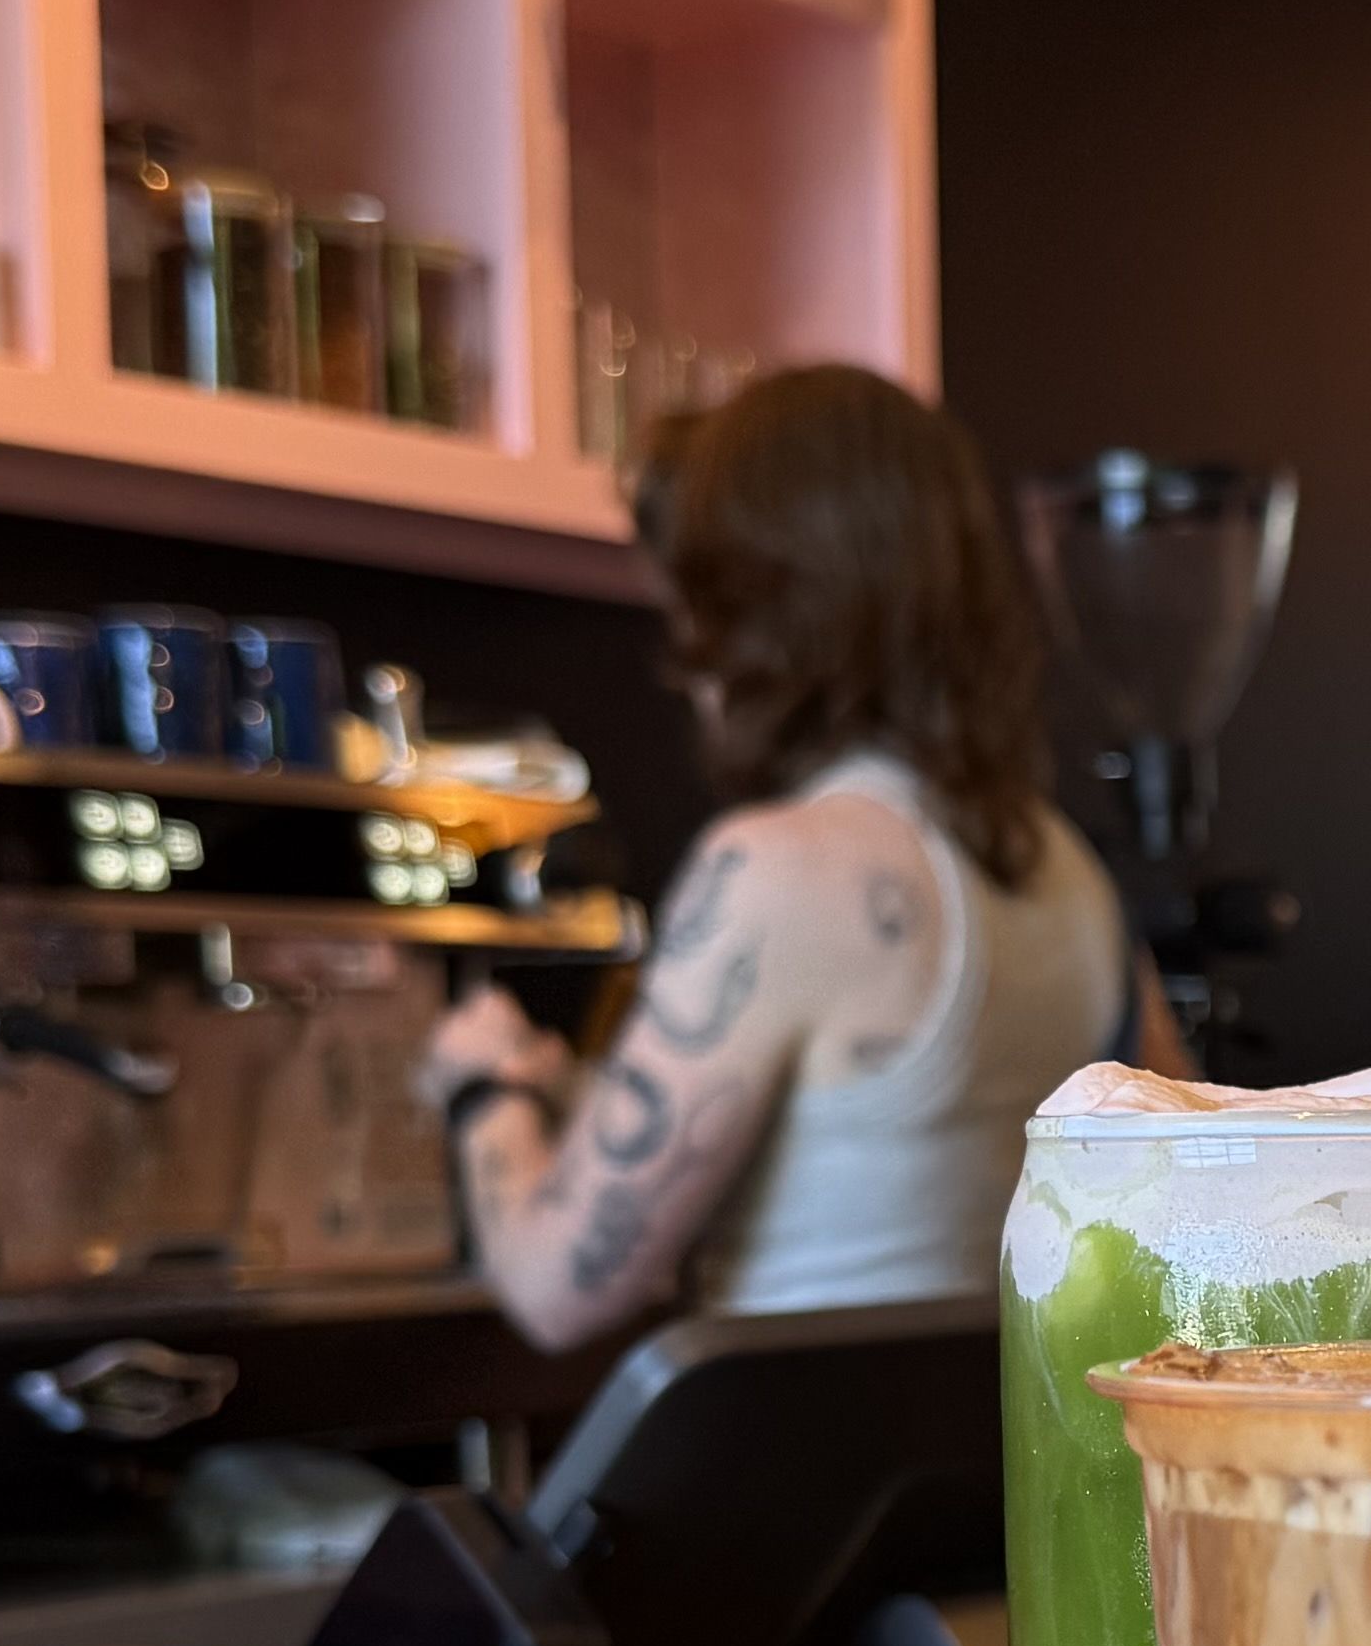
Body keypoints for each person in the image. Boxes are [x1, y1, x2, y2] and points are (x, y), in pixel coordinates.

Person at [425, 366, 1174, 1353]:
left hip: (780, 1495)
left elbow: (557, 1287)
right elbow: (1181, 1181)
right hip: (974, 1491)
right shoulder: (1067, 868)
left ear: (760, 607)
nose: (688, 661)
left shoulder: (780, 870)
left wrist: (489, 1092)